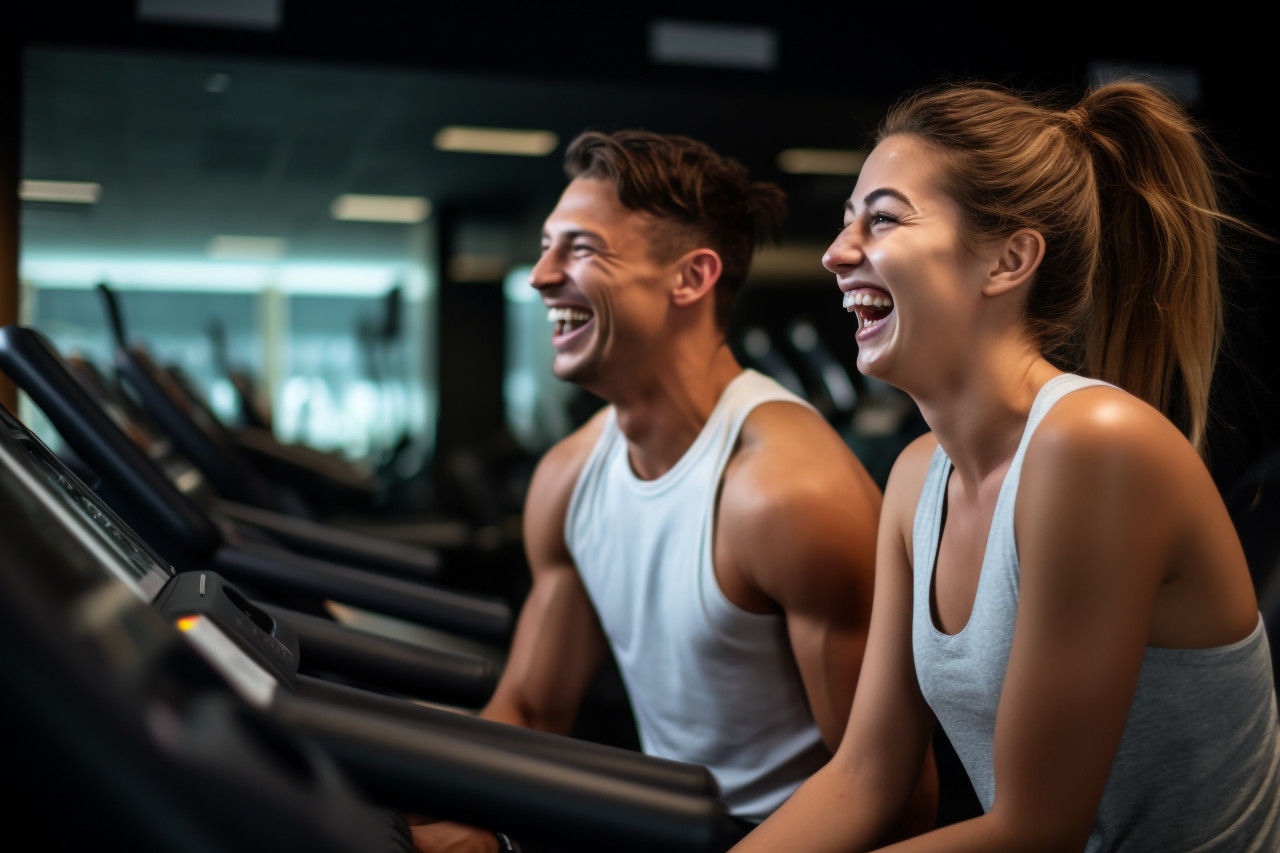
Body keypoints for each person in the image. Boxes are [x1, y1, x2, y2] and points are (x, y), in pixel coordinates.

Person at [731, 80, 1280, 852]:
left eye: (882, 217)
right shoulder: (917, 479)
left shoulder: (1094, 442)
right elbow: (865, 775)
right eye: (848, 220)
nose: (835, 252)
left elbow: (1037, 830)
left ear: (1008, 258)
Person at [412, 130, 938, 852]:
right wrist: (435, 803)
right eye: (545, 245)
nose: (539, 275)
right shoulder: (569, 475)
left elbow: (896, 799)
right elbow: (532, 707)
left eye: (581, 249)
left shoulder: (786, 493)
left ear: (690, 277)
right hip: (660, 820)